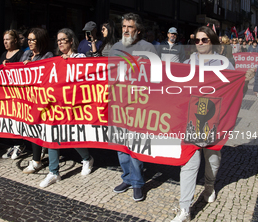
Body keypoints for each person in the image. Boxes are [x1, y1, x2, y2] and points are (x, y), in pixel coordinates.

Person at [171, 26, 254, 222]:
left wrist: (245, 81)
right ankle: (184, 209)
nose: (199, 43)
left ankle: (209, 187)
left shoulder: (224, 63)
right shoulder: (188, 61)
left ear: (213, 41)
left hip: (214, 117)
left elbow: (236, 92)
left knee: (212, 158)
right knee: (189, 161)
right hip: (191, 116)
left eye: (204, 40)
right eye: (197, 40)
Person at [109, 12, 158, 202]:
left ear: (138, 30)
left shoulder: (148, 48)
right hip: (118, 104)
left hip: (138, 104)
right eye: (123, 27)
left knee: (135, 144)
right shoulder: (115, 47)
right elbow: (103, 70)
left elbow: (155, 76)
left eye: (130, 27)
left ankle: (138, 183)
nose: (126, 30)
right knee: (121, 145)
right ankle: (127, 178)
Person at [39, 28, 94, 188]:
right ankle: (53, 172)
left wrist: (69, 61)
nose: (61, 42)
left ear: (71, 41)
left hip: (74, 104)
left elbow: (85, 75)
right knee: (52, 135)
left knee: (72, 135)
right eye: (58, 40)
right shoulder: (56, 60)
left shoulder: (80, 57)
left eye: (63, 39)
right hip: (58, 104)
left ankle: (86, 158)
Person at [21, 28, 54, 174]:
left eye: (33, 39)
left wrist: (33, 66)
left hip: (41, 98)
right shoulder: (26, 53)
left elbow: (47, 74)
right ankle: (37, 155)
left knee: (36, 127)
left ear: (41, 40)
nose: (30, 42)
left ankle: (36, 161)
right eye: (28, 39)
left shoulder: (48, 55)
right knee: (31, 127)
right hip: (27, 97)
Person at [0, 29, 24, 155]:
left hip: (16, 92)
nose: (5, 42)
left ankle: (19, 144)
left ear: (15, 40)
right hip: (4, 93)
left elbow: (21, 70)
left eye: (8, 39)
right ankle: (12, 143)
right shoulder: (3, 54)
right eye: (4, 40)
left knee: (16, 118)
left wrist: (10, 66)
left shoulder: (20, 54)